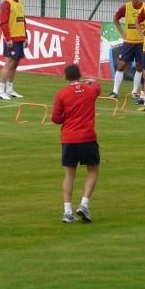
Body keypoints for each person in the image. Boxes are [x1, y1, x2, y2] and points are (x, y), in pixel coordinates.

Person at [51, 63, 101, 224]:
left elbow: (56, 118)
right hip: (87, 137)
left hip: (68, 138)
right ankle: (84, 204)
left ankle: (67, 211)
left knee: (69, 175)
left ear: (65, 77)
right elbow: (97, 88)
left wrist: (68, 117)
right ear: (80, 75)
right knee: (93, 170)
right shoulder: (90, 90)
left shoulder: (62, 94)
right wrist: (93, 82)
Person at [110, 0, 145, 99]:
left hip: (141, 42)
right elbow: (115, 18)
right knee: (121, 65)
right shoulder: (126, 7)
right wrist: (122, 32)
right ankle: (115, 91)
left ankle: (134, 92)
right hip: (129, 42)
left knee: (139, 66)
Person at [0, 0, 29, 100]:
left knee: (15, 64)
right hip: (11, 39)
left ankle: (9, 89)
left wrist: (25, 36)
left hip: (20, 38)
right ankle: (0, 90)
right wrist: (8, 38)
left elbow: (23, 20)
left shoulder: (20, 3)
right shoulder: (6, 3)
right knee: (8, 63)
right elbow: (3, 22)